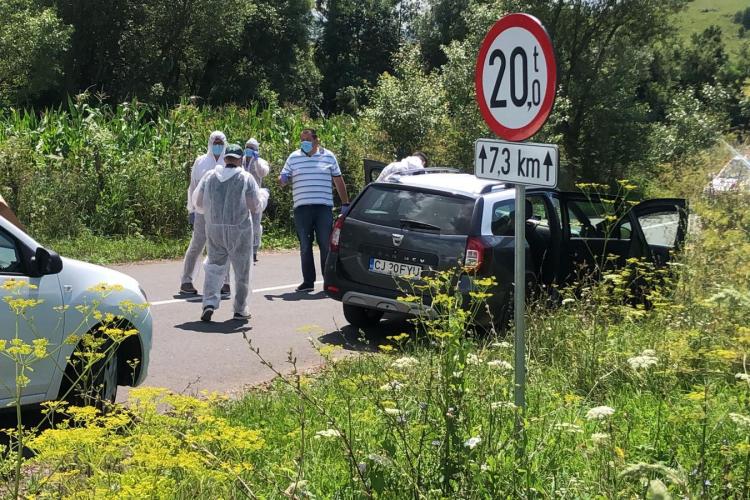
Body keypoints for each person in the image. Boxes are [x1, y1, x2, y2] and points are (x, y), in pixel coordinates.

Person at [192, 144, 269, 322]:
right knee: (242, 270)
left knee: (213, 267)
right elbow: (254, 205)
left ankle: (209, 302)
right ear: (241, 159)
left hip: (214, 229)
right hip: (239, 230)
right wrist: (263, 196)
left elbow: (199, 203)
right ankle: (240, 309)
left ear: (225, 158)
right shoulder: (246, 178)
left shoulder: (210, 176)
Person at [279, 128, 349, 292]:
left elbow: (338, 180)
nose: (304, 142)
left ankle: (328, 280)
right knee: (305, 245)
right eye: (302, 139)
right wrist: (282, 179)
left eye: (308, 140)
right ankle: (308, 281)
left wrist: (346, 203)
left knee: (325, 244)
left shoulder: (328, 156)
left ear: (316, 141)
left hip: (323, 208)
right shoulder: (293, 157)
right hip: (302, 208)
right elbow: (283, 179)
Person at [179, 131, 231, 296]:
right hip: (202, 210)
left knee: (223, 247)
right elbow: (193, 186)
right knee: (197, 245)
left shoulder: (229, 160)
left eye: (220, 143)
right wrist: (191, 208)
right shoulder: (200, 161)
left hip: (222, 213)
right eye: (215, 143)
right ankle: (186, 281)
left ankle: (225, 283)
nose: (217, 146)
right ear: (210, 143)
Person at [243, 138, 270, 263]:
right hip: (241, 196)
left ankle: (254, 251)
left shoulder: (261, 161)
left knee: (255, 224)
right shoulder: (241, 160)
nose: (249, 149)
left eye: (252, 148)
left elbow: (263, 173)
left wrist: (257, 160)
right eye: (247, 147)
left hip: (255, 196)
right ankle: (244, 249)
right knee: (242, 223)